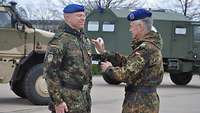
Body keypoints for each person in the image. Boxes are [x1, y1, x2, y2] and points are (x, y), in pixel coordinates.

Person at [92, 8, 164, 113]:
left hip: (140, 103)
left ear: (140, 27)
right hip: (143, 101)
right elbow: (129, 62)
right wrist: (104, 53)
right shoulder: (149, 46)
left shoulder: (145, 48)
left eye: (131, 26)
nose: (130, 30)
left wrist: (109, 69)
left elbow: (127, 73)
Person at [44, 4, 92, 113]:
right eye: (79, 15)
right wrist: (58, 101)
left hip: (84, 98)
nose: (83, 18)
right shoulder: (60, 41)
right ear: (67, 18)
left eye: (84, 15)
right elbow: (50, 72)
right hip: (67, 99)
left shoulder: (83, 39)